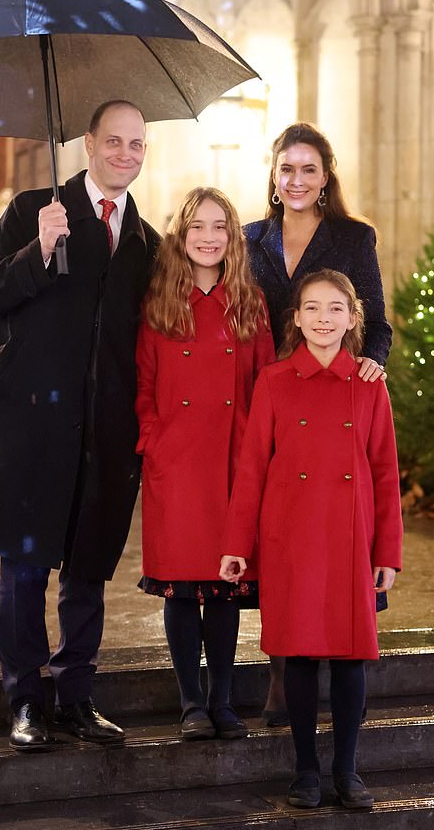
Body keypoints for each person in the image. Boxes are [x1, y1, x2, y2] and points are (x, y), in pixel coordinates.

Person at [0, 100, 160, 751]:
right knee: (25, 568)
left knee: (86, 571)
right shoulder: (31, 210)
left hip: (102, 436)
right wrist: (38, 249)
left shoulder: (144, 242)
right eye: (115, 141)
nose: (126, 155)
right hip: (31, 428)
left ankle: (76, 695)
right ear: (88, 143)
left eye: (137, 144)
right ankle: (25, 698)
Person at [220, 269, 403, 810]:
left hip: (351, 537)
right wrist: (236, 544)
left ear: (352, 319)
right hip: (290, 537)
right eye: (313, 309)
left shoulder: (369, 384)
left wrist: (387, 552)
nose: (325, 319)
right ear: (295, 318)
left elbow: (385, 472)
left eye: (336, 309)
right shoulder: (274, 381)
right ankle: (304, 770)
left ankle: (347, 771)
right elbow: (251, 467)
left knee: (350, 658)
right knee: (297, 655)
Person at [244, 122, 393, 725]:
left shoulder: (354, 238)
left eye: (309, 169)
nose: (297, 179)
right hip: (273, 398)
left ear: (326, 176)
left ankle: (335, 662)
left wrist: (371, 368)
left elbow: (376, 322)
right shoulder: (251, 237)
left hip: (335, 399)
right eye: (287, 169)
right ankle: (285, 672)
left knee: (332, 543)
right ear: (274, 177)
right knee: (280, 541)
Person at [135, 187, 274, 741]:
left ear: (233, 236)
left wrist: (259, 453)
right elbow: (143, 384)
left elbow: (264, 385)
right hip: (177, 461)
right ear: (180, 235)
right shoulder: (159, 303)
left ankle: (222, 700)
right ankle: (190, 701)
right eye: (197, 227)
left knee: (223, 582)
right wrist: (154, 439)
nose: (209, 237)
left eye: (219, 226)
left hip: (231, 462)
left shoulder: (250, 303)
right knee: (179, 584)